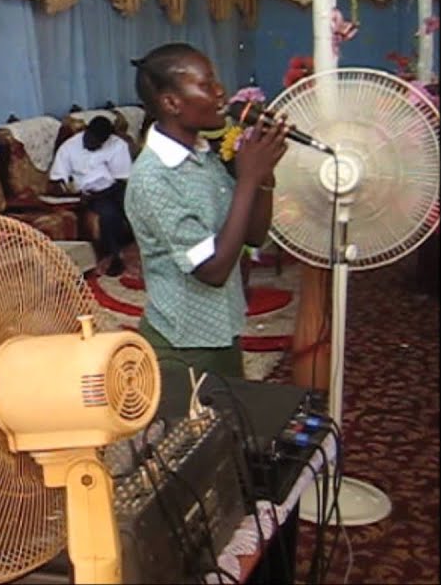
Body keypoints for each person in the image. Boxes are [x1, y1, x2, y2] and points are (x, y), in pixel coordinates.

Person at [123, 43, 289, 378]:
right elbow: (212, 271)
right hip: (183, 345)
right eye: (206, 84)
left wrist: (263, 178)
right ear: (171, 103)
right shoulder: (153, 178)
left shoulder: (203, 155)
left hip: (223, 330)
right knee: (191, 430)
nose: (220, 92)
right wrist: (246, 180)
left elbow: (253, 236)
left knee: (231, 426)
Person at [49, 116, 133, 276]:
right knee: (109, 213)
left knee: (131, 202)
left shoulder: (118, 146)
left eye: (98, 142)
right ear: (86, 131)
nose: (92, 144)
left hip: (114, 189)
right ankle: (114, 257)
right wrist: (66, 188)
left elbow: (123, 179)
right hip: (87, 194)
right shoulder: (69, 147)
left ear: (107, 140)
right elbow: (57, 179)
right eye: (90, 139)